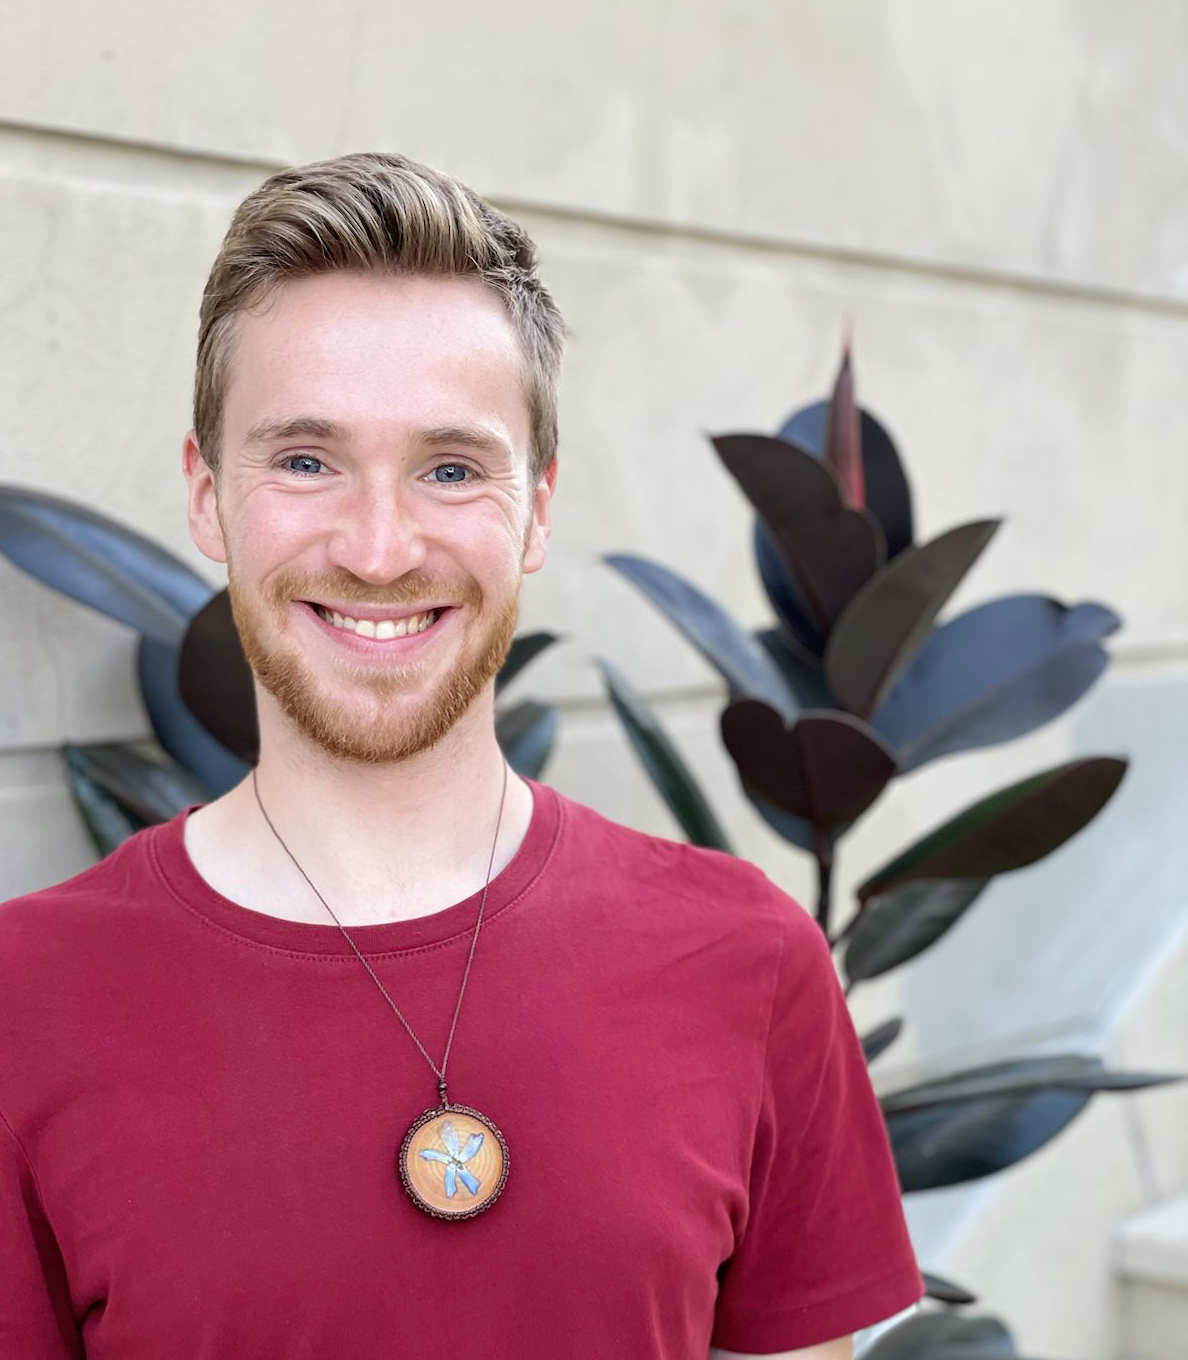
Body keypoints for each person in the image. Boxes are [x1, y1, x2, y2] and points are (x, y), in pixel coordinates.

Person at [0, 152, 925, 1359]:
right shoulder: (27, 998)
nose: (379, 549)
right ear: (206, 494)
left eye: (450, 469)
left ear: (536, 507)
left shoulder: (748, 962)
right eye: (306, 460)